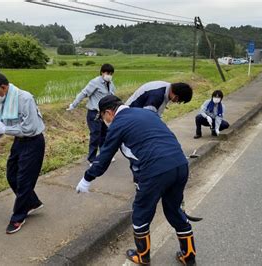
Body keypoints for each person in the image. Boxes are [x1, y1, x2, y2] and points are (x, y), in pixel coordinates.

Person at [76, 95, 197, 265]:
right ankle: (189, 256)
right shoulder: (147, 113)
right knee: (174, 210)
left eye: (103, 117)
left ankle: (143, 256)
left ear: (109, 112)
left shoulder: (118, 124)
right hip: (180, 164)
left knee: (141, 212)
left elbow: (103, 158)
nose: (104, 121)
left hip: (155, 171)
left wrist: (87, 178)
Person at [0, 70, 45, 234]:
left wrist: (5, 128)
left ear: (3, 87)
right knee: (11, 175)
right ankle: (32, 202)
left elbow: (29, 129)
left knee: (24, 181)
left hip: (33, 142)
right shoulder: (2, 101)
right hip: (19, 141)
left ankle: (18, 217)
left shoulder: (24, 99)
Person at [67, 64, 116, 164]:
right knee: (95, 136)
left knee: (105, 135)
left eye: (111, 74)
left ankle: (104, 155)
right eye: (107, 73)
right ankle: (91, 159)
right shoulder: (95, 82)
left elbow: (112, 96)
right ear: (102, 72)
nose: (109, 75)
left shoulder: (110, 83)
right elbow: (84, 93)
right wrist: (73, 105)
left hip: (105, 114)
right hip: (94, 113)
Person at [125, 81, 193, 116]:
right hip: (129, 116)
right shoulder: (157, 97)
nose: (176, 102)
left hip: (136, 114)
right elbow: (146, 118)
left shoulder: (166, 88)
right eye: (179, 101)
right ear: (176, 97)